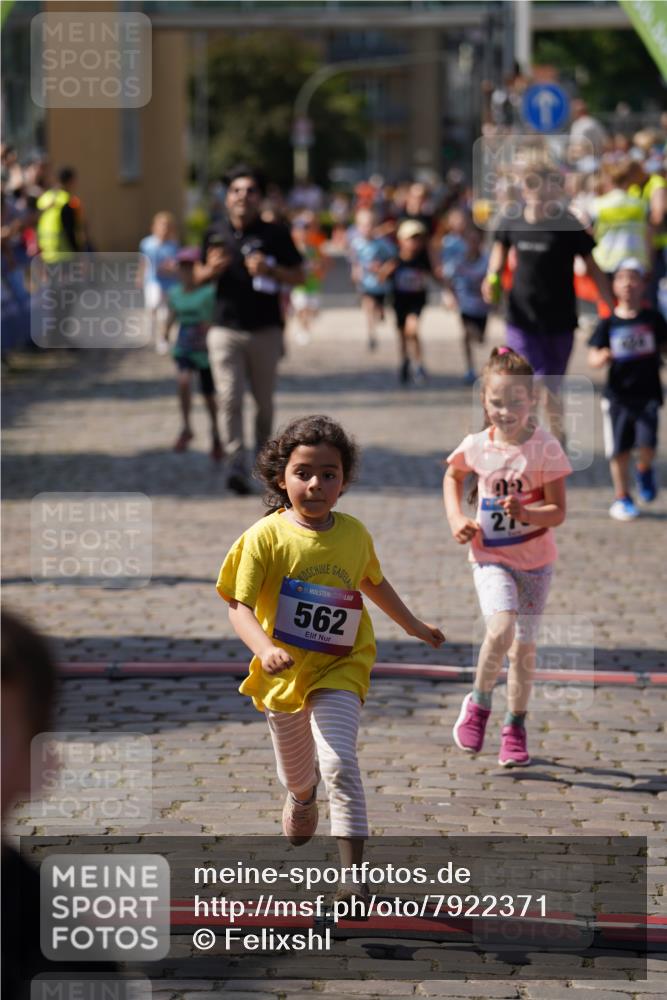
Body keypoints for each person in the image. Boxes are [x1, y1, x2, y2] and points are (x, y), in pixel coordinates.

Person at [216, 415, 445, 905]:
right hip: (284, 675)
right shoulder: (264, 537)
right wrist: (266, 648)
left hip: (342, 666)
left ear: (344, 482)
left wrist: (413, 626)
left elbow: (373, 583)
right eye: (303, 473)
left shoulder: (355, 535)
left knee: (340, 762)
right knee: (300, 775)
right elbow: (237, 605)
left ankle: (353, 877)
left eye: (329, 474)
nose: (315, 484)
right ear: (282, 478)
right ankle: (301, 797)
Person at [444, 347, 572, 767]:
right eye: (497, 402)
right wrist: (456, 517)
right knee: (501, 629)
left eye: (515, 402)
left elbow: (557, 512)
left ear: (531, 400)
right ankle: (479, 704)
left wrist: (527, 512)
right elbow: (453, 475)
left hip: (536, 562)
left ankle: (515, 725)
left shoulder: (546, 449)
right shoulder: (476, 446)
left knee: (524, 650)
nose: (506, 411)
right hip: (490, 556)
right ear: (484, 401)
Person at [483, 165, 614, 442]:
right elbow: (498, 254)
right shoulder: (511, 222)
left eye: (543, 186)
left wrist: (609, 308)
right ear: (524, 189)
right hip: (521, 319)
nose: (537, 193)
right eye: (531, 186)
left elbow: (593, 268)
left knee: (551, 388)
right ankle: (528, 445)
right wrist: (491, 278)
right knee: (533, 384)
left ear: (553, 190)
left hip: (560, 321)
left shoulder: (568, 224)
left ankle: (557, 440)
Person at [198, 165, 304, 496]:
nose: (243, 196)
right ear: (227, 197)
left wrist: (270, 269)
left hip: (265, 329)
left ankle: (263, 460)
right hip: (224, 328)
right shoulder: (214, 233)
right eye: (236, 191)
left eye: (250, 191)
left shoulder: (275, 234)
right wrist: (209, 271)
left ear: (260, 197)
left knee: (263, 402)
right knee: (229, 397)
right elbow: (196, 278)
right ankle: (235, 462)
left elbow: (301, 276)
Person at [587, 258, 667, 520]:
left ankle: (644, 470)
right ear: (614, 285)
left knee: (647, 444)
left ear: (644, 284)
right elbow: (593, 355)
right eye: (622, 278)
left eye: (634, 278)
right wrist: (602, 357)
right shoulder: (609, 322)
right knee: (619, 450)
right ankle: (622, 497)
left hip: (648, 395)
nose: (628, 284)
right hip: (618, 397)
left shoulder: (653, 319)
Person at [161, 247, 223, 460]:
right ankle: (186, 427)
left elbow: (219, 316)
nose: (186, 272)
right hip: (185, 345)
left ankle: (215, 432)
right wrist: (165, 332)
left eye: (190, 268)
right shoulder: (175, 293)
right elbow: (171, 314)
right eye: (183, 268)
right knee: (184, 382)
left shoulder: (209, 292)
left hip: (206, 348)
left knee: (208, 395)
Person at [442, 225, 490, 385]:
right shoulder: (458, 261)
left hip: (482, 307)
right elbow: (447, 279)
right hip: (465, 305)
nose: (473, 244)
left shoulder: (487, 260)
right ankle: (470, 368)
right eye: (470, 240)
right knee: (467, 334)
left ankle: (476, 361)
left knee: (480, 338)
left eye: (476, 241)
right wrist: (449, 295)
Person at [348, 207, 397, 351]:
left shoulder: (382, 243)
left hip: (380, 283)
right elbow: (355, 260)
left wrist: (383, 269)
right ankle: (371, 334)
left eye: (369, 224)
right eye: (363, 225)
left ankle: (380, 312)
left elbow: (393, 258)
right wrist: (355, 272)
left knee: (378, 308)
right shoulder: (356, 243)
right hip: (365, 283)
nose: (366, 228)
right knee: (368, 306)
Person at [391, 219, 432, 385]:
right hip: (399, 301)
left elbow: (435, 275)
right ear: (401, 240)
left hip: (416, 301)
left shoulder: (423, 259)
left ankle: (419, 363)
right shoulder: (396, 259)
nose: (415, 243)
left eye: (418, 239)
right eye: (411, 239)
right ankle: (404, 361)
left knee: (412, 329)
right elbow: (382, 276)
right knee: (402, 334)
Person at [138, 210, 180, 348]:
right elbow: (143, 261)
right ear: (154, 226)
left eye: (167, 226)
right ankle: (157, 332)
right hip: (152, 281)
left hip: (169, 283)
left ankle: (163, 337)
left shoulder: (173, 245)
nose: (164, 229)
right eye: (161, 225)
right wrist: (139, 275)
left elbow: (176, 264)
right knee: (153, 305)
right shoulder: (147, 243)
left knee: (166, 313)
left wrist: (172, 268)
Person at [289, 212, 329, 346]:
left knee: (311, 309)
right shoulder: (292, 248)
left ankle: (305, 327)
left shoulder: (313, 248)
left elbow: (322, 262)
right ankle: (303, 330)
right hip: (298, 284)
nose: (303, 234)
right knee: (301, 308)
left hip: (312, 283)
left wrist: (318, 267)